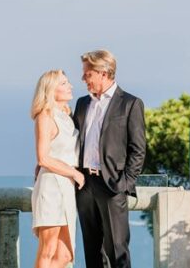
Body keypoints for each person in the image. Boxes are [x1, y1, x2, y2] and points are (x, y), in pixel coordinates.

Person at [73, 50, 146, 268]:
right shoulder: (82, 103)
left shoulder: (130, 104)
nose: (83, 79)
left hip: (112, 186)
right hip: (85, 185)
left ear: (103, 73)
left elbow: (138, 149)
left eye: (87, 74)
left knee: (117, 251)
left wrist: (124, 184)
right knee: (92, 251)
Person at [31, 69, 84, 268]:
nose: (70, 86)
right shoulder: (45, 116)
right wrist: (74, 172)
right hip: (52, 186)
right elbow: (43, 157)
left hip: (66, 187)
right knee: (47, 250)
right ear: (50, 90)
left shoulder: (66, 117)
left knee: (65, 255)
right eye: (63, 83)